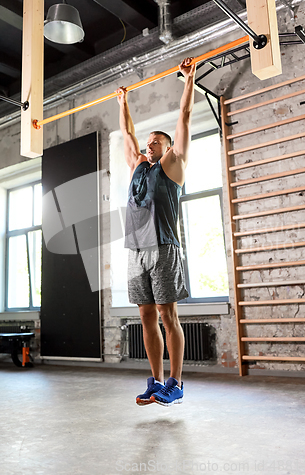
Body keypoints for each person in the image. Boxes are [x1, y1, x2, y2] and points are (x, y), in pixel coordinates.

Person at [116, 57, 195, 406]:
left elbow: (185, 118)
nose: (149, 145)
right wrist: (123, 103)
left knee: (167, 314)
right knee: (147, 314)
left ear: (167, 148)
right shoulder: (138, 167)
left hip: (164, 247)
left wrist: (188, 81)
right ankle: (156, 380)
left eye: (156, 142)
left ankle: (176, 383)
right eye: (148, 142)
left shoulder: (172, 165)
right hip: (136, 251)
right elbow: (128, 135)